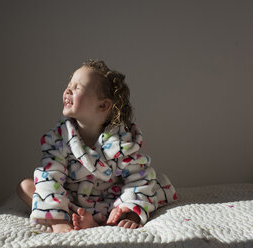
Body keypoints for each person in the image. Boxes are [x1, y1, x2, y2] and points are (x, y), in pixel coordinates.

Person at [17, 59, 177, 233]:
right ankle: (72, 217)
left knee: (154, 183)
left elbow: (138, 177)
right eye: (69, 85)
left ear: (103, 105)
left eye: (78, 87)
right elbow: (50, 175)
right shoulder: (59, 137)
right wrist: (57, 220)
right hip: (73, 200)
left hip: (111, 200)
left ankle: (110, 218)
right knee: (26, 186)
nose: (68, 90)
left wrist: (130, 211)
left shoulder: (121, 142)